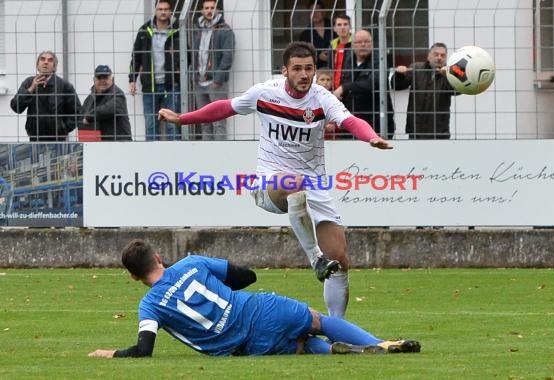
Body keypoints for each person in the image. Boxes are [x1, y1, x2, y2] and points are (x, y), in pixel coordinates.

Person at [158, 42, 393, 318]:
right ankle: (315, 259)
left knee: (340, 259)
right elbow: (225, 107)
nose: (304, 75)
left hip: (313, 185)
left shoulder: (321, 98)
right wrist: (182, 120)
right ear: (285, 71)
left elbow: (350, 121)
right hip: (269, 185)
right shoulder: (265, 93)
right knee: (294, 183)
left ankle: (337, 326)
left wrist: (371, 137)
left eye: (309, 69)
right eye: (297, 69)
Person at [88, 239, 421, 358]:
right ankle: (379, 343)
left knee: (302, 346)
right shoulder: (190, 264)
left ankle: (335, 350)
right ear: (159, 257)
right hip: (258, 309)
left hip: (243, 345)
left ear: (133, 277)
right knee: (317, 320)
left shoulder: (148, 306)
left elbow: (144, 350)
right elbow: (248, 276)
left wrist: (111, 353)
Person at [129, 0, 180, 141]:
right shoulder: (144, 31)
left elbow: (187, 54)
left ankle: (176, 157)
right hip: (149, 86)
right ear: (155, 11)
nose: (163, 12)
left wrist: (178, 69)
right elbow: (135, 57)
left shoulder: (177, 31)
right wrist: (132, 80)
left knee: (173, 124)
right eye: (160, 9)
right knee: (151, 125)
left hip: (171, 85)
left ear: (170, 11)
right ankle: (151, 159)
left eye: (166, 9)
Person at [332, 29, 395, 140]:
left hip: (375, 121)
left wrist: (344, 88)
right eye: (359, 42)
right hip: (351, 120)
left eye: (366, 42)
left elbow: (374, 83)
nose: (363, 45)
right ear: (353, 44)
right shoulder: (348, 60)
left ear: (372, 44)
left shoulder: (380, 59)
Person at [10, 50, 81, 142]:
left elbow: (78, 112)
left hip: (58, 140)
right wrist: (31, 89)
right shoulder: (29, 82)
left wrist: (63, 129)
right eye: (42, 59)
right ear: (37, 65)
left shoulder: (64, 85)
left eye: (50, 60)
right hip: (34, 138)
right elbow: (16, 107)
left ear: (54, 67)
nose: (46, 62)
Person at [391, 42, 458, 139]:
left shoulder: (449, 73)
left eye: (443, 55)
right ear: (428, 56)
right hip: (416, 129)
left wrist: (449, 76)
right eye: (436, 54)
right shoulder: (416, 68)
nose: (439, 57)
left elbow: (457, 91)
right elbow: (397, 86)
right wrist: (398, 74)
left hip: (439, 130)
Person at [192, 0, 235, 141]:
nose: (209, 10)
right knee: (204, 122)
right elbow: (193, 54)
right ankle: (207, 158)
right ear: (202, 10)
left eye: (212, 8)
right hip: (199, 82)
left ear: (218, 10)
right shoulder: (197, 29)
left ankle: (220, 157)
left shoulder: (225, 30)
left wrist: (218, 79)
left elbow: (228, 56)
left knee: (218, 122)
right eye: (206, 8)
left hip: (216, 83)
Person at [80, 65, 132, 141]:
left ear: (112, 79)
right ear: (94, 80)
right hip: (98, 145)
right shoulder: (89, 99)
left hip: (120, 143)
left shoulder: (118, 94)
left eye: (105, 77)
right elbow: (81, 117)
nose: (102, 80)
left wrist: (89, 117)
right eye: (99, 77)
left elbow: (109, 109)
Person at [298, 0, 336, 69]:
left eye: (317, 10)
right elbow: (302, 55)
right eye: (311, 11)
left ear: (324, 12)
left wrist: (332, 55)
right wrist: (318, 56)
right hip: (316, 71)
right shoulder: (305, 34)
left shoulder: (335, 28)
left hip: (337, 68)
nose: (314, 13)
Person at [328, 14, 352, 91]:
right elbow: (330, 68)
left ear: (350, 27)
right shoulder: (332, 45)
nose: (342, 27)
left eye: (345, 24)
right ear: (334, 28)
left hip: (350, 88)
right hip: (334, 89)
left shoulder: (356, 44)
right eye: (339, 25)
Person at [316, 68, 342, 140]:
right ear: (317, 81)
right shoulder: (312, 97)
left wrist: (335, 126)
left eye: (328, 80)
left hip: (333, 137)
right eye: (322, 80)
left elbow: (340, 116)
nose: (325, 82)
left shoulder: (336, 98)